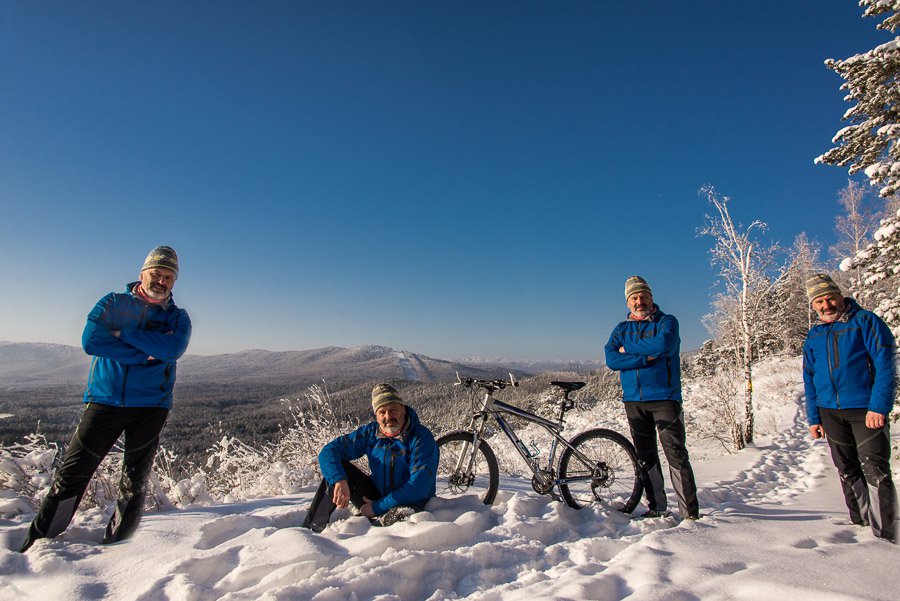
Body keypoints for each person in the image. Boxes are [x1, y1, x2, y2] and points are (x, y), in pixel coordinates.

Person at [20, 246, 192, 552]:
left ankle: (117, 548)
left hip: (151, 407)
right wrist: (149, 353)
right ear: (142, 274)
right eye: (157, 274)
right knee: (71, 475)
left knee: (134, 481)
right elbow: (91, 341)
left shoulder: (178, 318)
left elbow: (173, 350)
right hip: (104, 401)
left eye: (169, 277)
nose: (162, 281)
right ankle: (40, 541)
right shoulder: (113, 302)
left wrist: (122, 334)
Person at [802, 273, 897, 543]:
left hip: (866, 410)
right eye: (818, 301)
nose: (825, 305)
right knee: (846, 468)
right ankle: (861, 523)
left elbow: (886, 365)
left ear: (840, 295)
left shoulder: (865, 321)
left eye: (829, 298)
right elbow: (809, 378)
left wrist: (879, 406)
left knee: (875, 470)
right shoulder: (815, 334)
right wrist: (814, 417)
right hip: (830, 412)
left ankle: (886, 533)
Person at [604, 275, 699, 520]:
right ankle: (657, 507)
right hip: (634, 400)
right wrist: (645, 357)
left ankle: (689, 513)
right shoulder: (621, 328)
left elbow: (665, 344)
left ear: (651, 298)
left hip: (665, 398)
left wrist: (629, 350)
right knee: (646, 457)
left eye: (643, 296)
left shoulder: (667, 322)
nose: (639, 301)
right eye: (634, 298)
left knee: (675, 454)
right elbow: (612, 358)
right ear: (628, 302)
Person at [302, 383, 439, 531]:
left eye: (393, 409)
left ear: (403, 409)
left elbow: (419, 486)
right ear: (376, 416)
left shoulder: (421, 438)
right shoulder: (371, 433)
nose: (388, 416)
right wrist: (339, 480)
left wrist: (377, 507)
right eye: (382, 412)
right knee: (336, 473)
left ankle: (367, 540)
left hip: (411, 500)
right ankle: (310, 530)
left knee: (398, 520)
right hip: (376, 495)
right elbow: (328, 452)